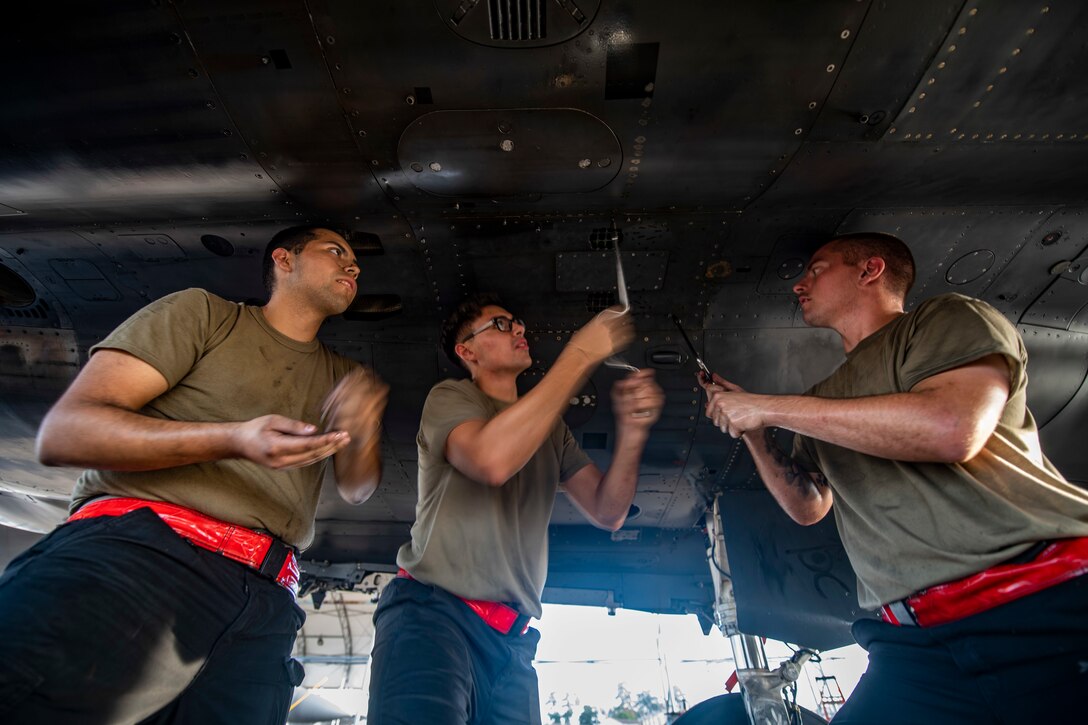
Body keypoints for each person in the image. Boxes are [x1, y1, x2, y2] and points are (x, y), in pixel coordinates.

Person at [0, 226, 388, 723]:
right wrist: (234, 438)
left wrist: (362, 428)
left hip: (264, 606)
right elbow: (66, 435)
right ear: (284, 261)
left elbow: (357, 489)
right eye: (336, 252)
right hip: (139, 559)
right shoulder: (204, 315)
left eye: (356, 261)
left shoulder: (342, 376)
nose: (353, 267)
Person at [701, 232, 1088, 724]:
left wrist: (768, 408)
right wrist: (755, 432)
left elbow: (953, 428)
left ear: (870, 271)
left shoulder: (944, 319)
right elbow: (808, 506)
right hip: (918, 638)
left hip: (1044, 596)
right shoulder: (824, 400)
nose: (800, 285)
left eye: (817, 270)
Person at [366, 293, 665, 725]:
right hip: (433, 619)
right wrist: (580, 354)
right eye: (502, 325)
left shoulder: (551, 429)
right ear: (466, 352)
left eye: (517, 322)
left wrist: (634, 431)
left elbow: (607, 512)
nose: (519, 329)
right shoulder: (450, 398)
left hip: (510, 645)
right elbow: (491, 460)